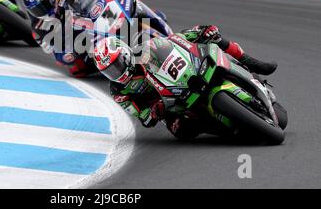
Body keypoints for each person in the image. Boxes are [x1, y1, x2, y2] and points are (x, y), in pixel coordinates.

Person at [93, 28, 277, 140]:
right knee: (182, 131)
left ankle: (253, 66)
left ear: (125, 54)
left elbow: (174, 41)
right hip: (170, 105)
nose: (115, 73)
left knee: (215, 39)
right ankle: (226, 128)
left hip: (186, 76)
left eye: (116, 65)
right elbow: (143, 117)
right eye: (109, 71)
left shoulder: (145, 50)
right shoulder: (118, 91)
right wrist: (154, 112)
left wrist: (198, 32)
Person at [22, 0, 172, 76]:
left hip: (91, 18)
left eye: (46, 1)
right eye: (39, 8)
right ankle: (121, 71)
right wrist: (70, 53)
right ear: (32, 11)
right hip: (76, 43)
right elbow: (58, 55)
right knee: (78, 69)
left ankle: (152, 17)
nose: (46, 7)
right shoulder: (38, 29)